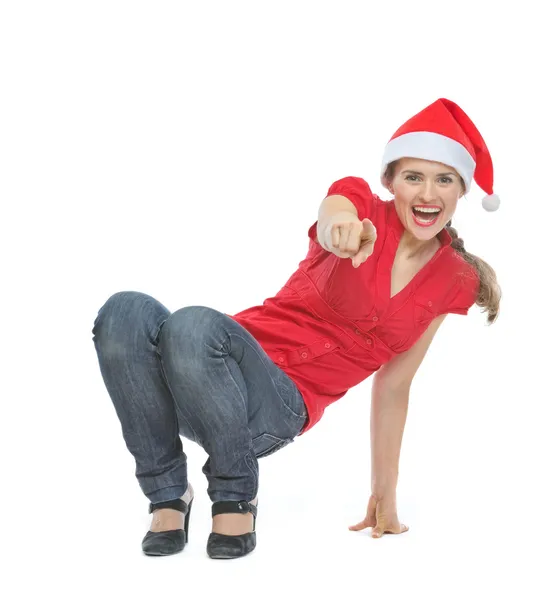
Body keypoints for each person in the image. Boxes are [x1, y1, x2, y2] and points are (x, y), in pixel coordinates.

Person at [91, 98, 502, 560]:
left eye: (444, 179)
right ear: (392, 182)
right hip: (204, 373)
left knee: (192, 323)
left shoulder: (455, 279)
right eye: (413, 177)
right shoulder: (360, 206)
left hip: (277, 407)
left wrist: (384, 492)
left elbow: (395, 383)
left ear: (461, 189)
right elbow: (336, 212)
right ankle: (167, 495)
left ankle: (234, 496)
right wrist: (341, 227)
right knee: (124, 310)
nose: (428, 194)